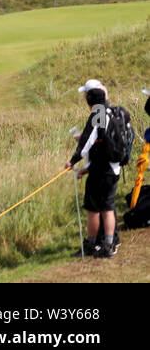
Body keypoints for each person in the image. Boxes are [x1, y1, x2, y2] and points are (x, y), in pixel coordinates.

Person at [66, 79, 121, 258]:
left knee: (94, 209)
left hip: (103, 171)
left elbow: (88, 142)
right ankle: (108, 245)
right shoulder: (110, 110)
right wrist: (88, 168)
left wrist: (73, 161)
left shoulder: (97, 113)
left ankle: (91, 244)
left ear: (90, 99)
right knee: (108, 207)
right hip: (113, 167)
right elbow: (100, 144)